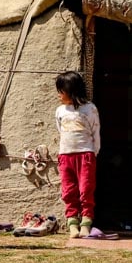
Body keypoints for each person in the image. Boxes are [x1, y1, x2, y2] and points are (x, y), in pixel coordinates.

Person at [55, 71, 100, 238]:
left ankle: (86, 223)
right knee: (68, 190)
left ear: (71, 91)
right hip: (66, 155)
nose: (59, 95)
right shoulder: (60, 111)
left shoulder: (90, 109)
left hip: (85, 154)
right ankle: (72, 222)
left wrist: (92, 153)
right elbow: (61, 131)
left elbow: (96, 133)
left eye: (61, 91)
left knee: (86, 189)